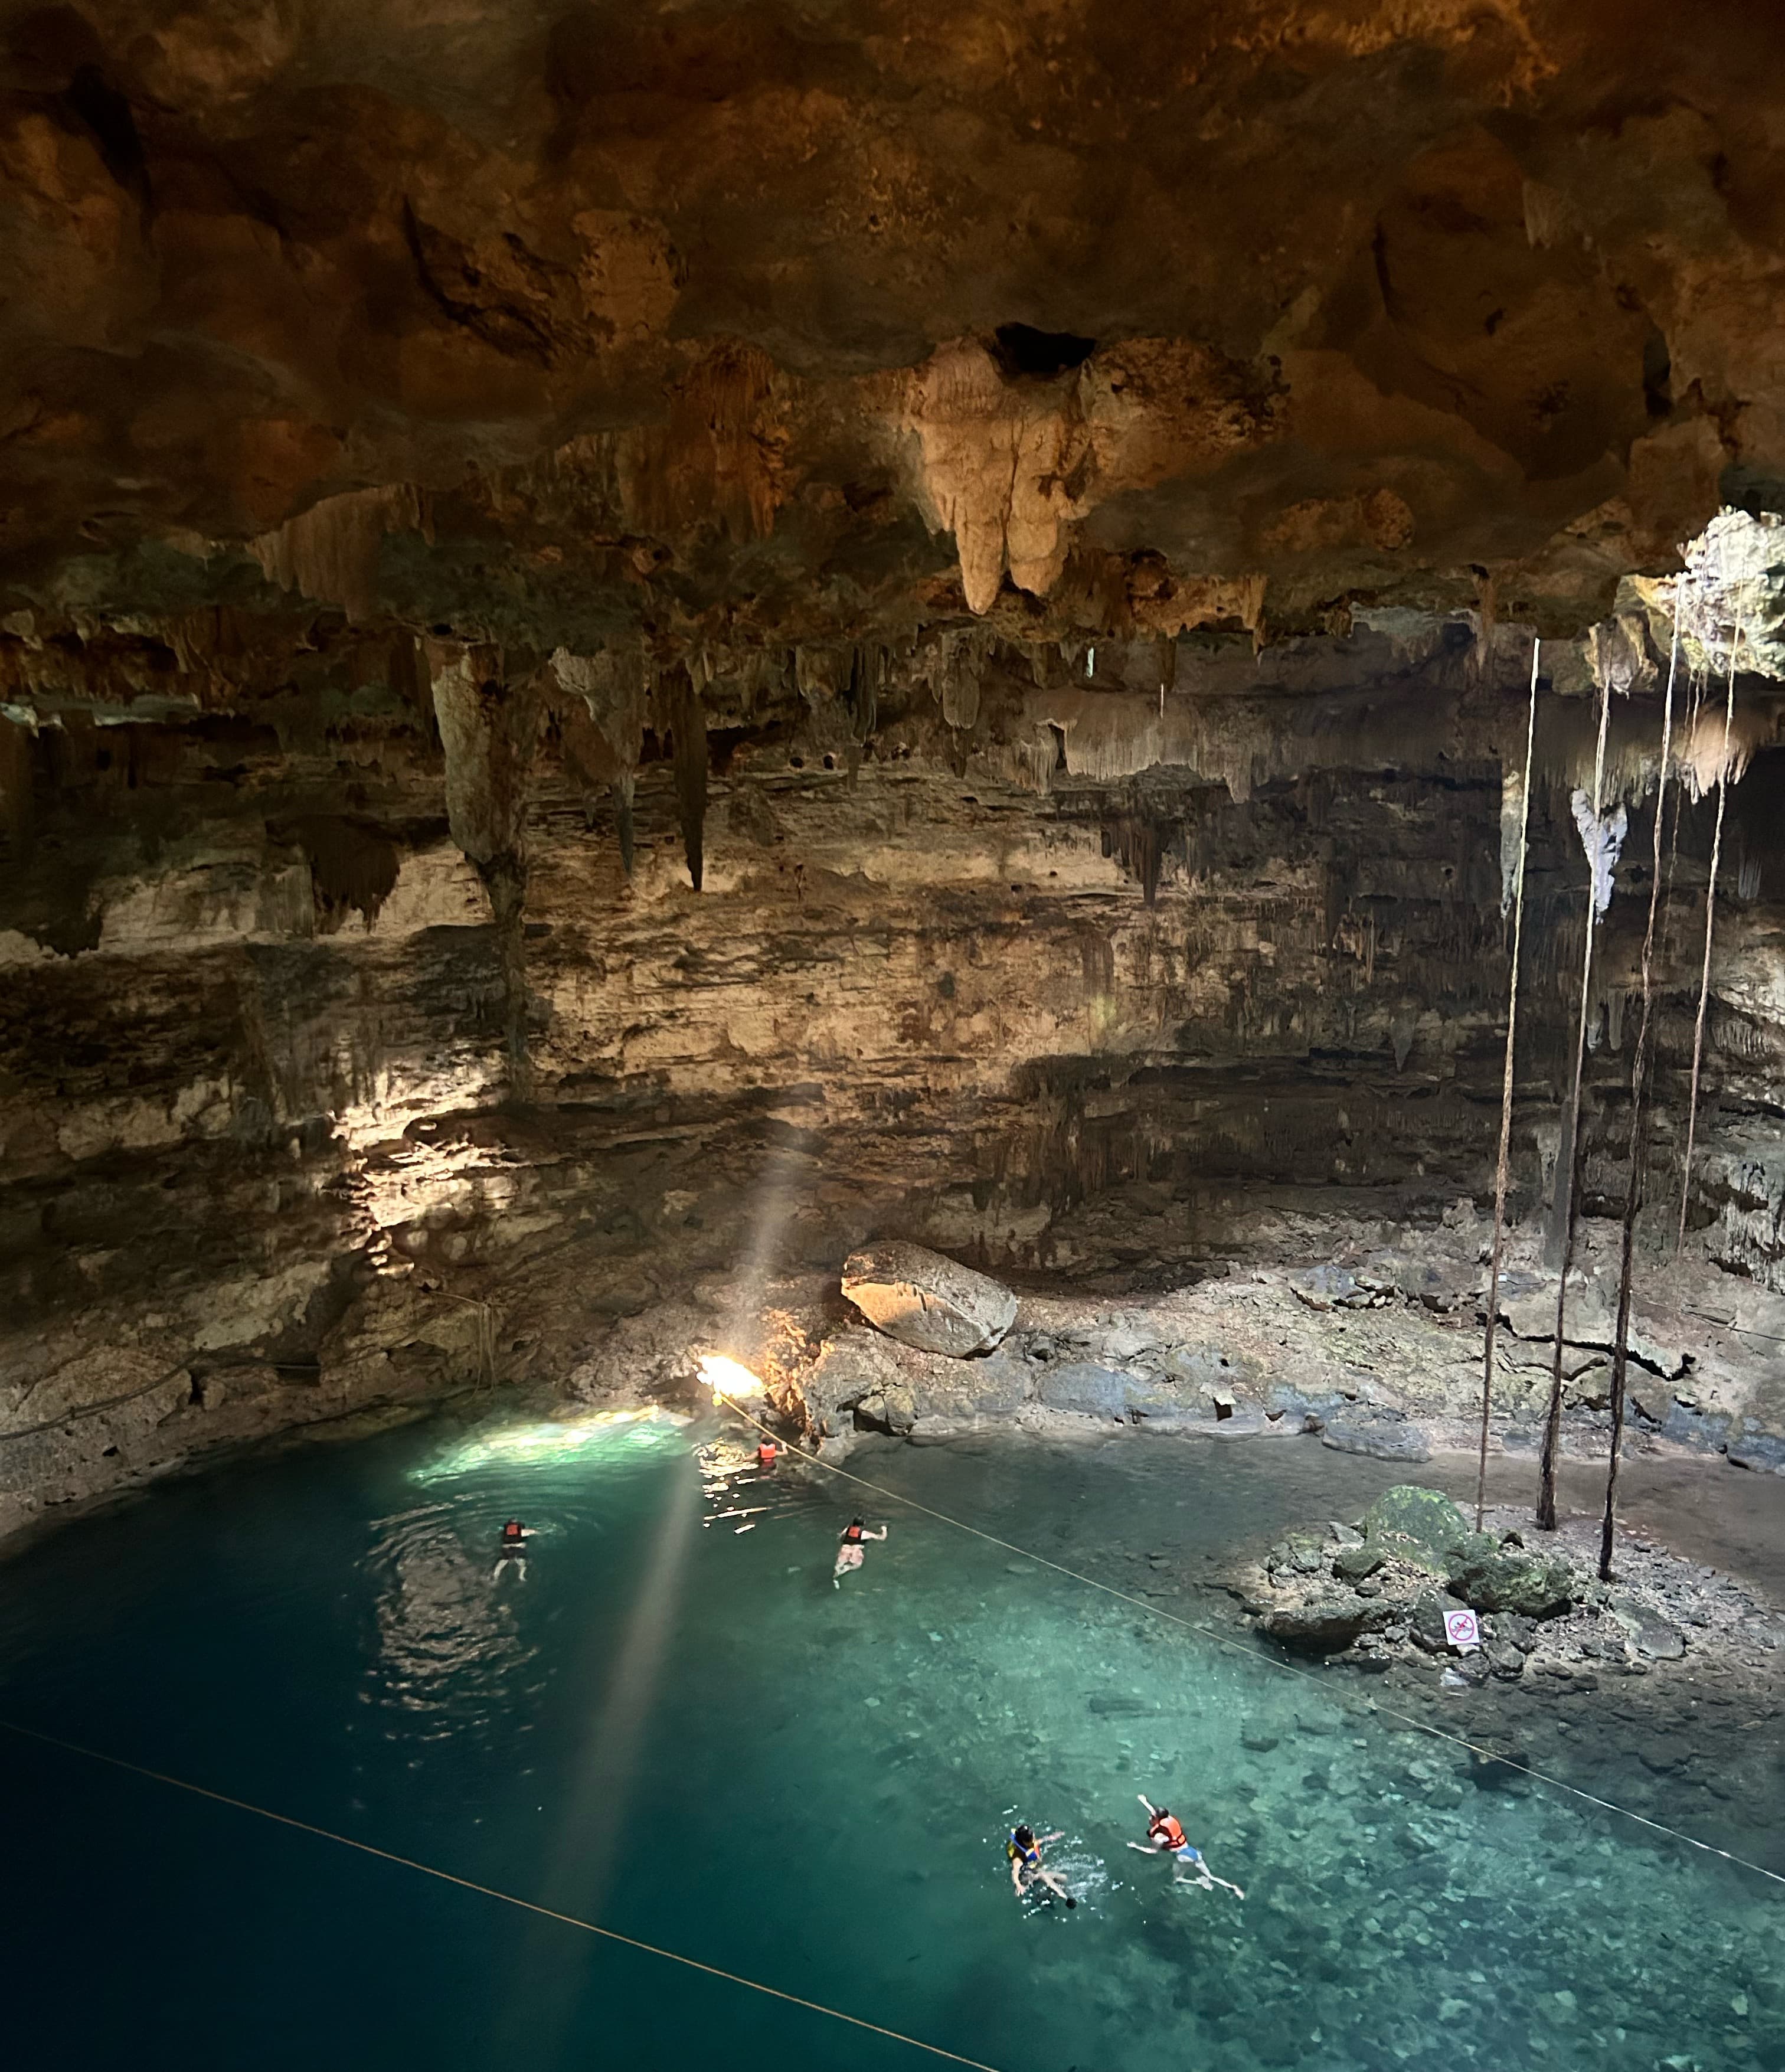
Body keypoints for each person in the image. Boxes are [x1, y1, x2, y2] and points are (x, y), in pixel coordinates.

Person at [1128, 1795, 1244, 1898]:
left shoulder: (1159, 1836)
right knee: (1211, 1876)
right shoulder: (1168, 1821)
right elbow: (1157, 1814)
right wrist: (1145, 1802)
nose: (1149, 1818)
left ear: (1157, 1820)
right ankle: (1232, 1887)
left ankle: (1200, 1883)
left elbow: (1153, 1851)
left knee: (1177, 1879)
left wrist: (1136, 1847)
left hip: (1182, 1857)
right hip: (1193, 1852)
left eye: (1152, 1817)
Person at [1006, 1823, 1075, 1907]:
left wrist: (1052, 1837)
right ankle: (1064, 1897)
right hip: (1026, 1876)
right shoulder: (1018, 1857)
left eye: (1032, 1836)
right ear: (1023, 1842)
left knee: (1064, 1877)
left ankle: (1045, 1897)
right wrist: (1018, 1885)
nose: (1033, 1839)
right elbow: (1015, 1872)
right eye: (1030, 1839)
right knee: (1043, 1875)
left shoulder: (1031, 1842)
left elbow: (1040, 1841)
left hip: (1035, 1869)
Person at [833, 1516, 887, 1587]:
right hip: (856, 1551)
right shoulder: (865, 1533)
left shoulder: (847, 1529)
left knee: (838, 1566)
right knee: (857, 1565)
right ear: (863, 1524)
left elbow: (840, 1537)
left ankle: (835, 1578)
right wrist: (884, 1530)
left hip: (845, 1550)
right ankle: (846, 1569)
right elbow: (881, 1538)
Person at [492, 1518, 532, 1582]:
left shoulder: (503, 1532)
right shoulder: (523, 1531)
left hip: (507, 1548)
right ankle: (521, 1576)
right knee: (522, 1563)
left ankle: (496, 1576)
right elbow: (536, 1532)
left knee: (503, 1561)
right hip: (518, 1548)